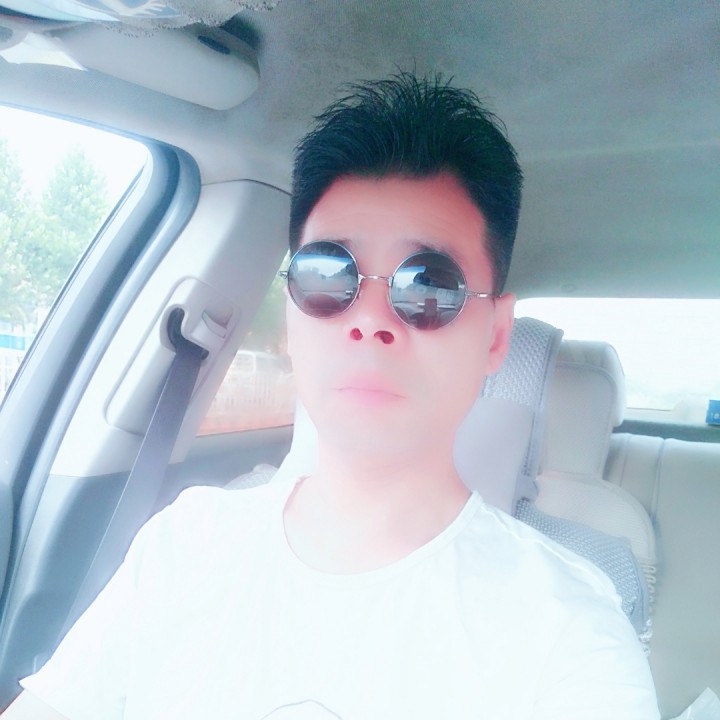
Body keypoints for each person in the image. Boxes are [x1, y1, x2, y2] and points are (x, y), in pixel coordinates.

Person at [4, 73, 659, 719]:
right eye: (327, 274)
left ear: (495, 335)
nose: (369, 319)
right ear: (292, 314)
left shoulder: (571, 633)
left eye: (428, 285)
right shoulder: (183, 544)